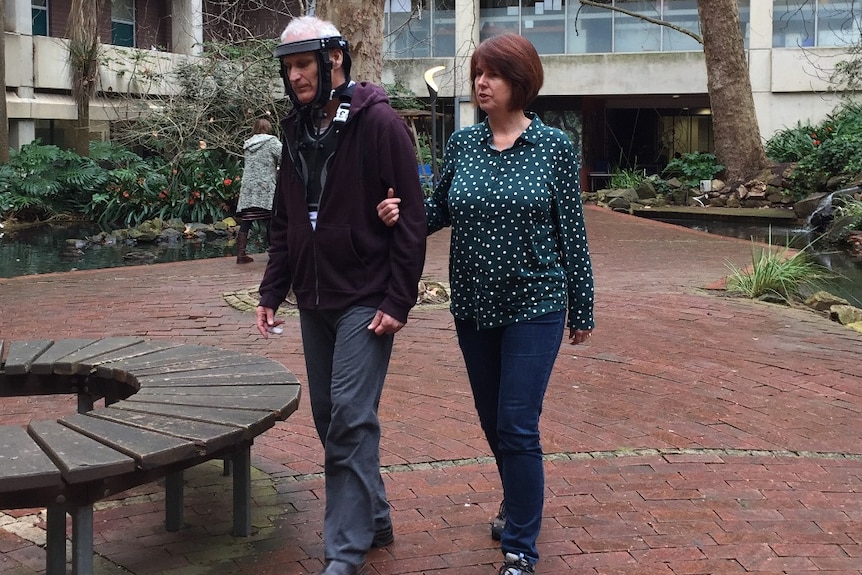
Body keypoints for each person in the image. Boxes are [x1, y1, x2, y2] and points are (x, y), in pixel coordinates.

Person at [377, 33, 595, 575]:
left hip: (536, 302)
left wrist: (583, 306)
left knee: (518, 422)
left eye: (493, 74)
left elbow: (573, 232)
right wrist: (397, 218)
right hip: (473, 306)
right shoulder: (462, 145)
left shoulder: (553, 148)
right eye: (477, 73)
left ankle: (521, 545)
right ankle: (517, 499)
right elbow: (436, 212)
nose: (481, 82)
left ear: (520, 82)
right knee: (493, 420)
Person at [255, 15, 427, 575]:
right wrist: (273, 288)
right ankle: (374, 518)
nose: (296, 75)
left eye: (304, 64)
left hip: (365, 295)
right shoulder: (295, 128)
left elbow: (412, 219)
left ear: (334, 61)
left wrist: (398, 300)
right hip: (314, 296)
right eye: (289, 66)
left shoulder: (380, 124)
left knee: (351, 416)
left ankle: (343, 554)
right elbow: (286, 216)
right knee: (331, 416)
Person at [235, 117, 282, 264]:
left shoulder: (248, 144)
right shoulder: (272, 141)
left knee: (247, 219)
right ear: (268, 128)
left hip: (249, 186)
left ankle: (241, 254)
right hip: (265, 185)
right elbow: (285, 157)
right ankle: (273, 252)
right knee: (270, 218)